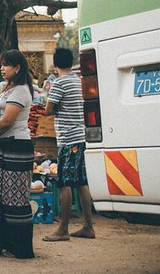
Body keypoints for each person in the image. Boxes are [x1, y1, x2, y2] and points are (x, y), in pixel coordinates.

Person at [0, 49, 35, 259]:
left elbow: (7, 121)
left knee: (16, 198)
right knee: (4, 196)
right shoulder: (10, 89)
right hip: (6, 146)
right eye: (1, 64)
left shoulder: (22, 91)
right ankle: (7, 244)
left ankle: (20, 246)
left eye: (6, 65)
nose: (2, 69)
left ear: (17, 68)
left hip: (17, 146)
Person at [43, 48, 96, 242]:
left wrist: (53, 105)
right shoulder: (78, 80)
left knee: (64, 183)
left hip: (68, 139)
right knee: (81, 182)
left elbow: (49, 109)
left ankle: (63, 229)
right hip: (81, 137)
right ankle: (88, 226)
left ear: (55, 64)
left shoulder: (59, 82)